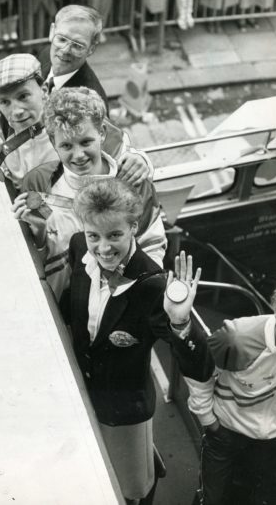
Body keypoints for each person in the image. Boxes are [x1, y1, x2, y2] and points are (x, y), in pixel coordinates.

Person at [60, 181, 214, 504]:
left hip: (123, 409)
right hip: (81, 394)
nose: (103, 248)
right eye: (94, 236)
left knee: (134, 490)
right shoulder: (77, 247)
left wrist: (181, 321)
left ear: (133, 226)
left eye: (114, 235)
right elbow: (70, 304)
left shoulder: (153, 285)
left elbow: (198, 365)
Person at [0, 54, 153, 195]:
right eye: (4, 101)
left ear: (44, 90)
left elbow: (130, 159)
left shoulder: (71, 115)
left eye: (23, 96)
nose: (15, 111)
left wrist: (141, 160)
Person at [11, 87, 166, 300]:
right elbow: (32, 258)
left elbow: (152, 247)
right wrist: (38, 236)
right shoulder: (37, 182)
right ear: (52, 141)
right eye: (66, 145)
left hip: (121, 300)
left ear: (102, 132)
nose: (78, 155)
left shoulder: (135, 184)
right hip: (58, 302)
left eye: (86, 142)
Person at [186, 283, 276, 505]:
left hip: (273, 438)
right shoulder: (237, 339)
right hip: (227, 432)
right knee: (212, 498)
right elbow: (199, 372)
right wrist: (209, 421)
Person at [39, 4, 109, 113]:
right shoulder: (45, 54)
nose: (65, 50)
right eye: (62, 40)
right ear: (52, 32)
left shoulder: (90, 104)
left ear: (91, 49)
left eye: (77, 46)